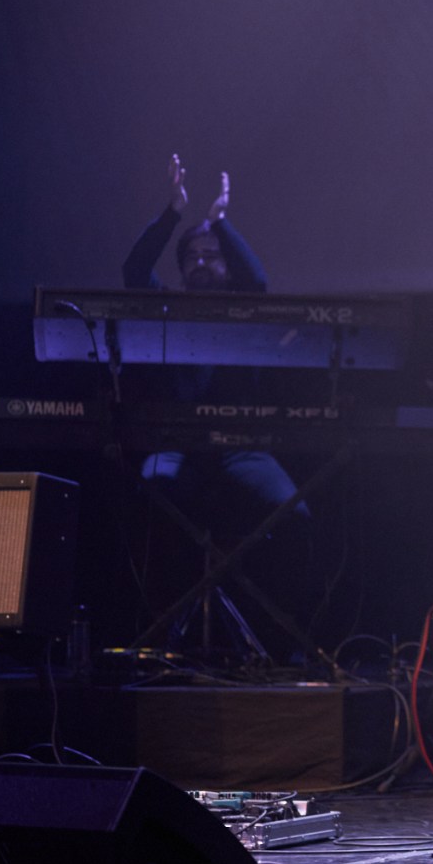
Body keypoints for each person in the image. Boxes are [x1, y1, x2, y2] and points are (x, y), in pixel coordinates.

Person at [122, 154, 318, 665]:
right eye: (193, 256)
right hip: (178, 447)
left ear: (226, 264)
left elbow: (257, 282)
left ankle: (281, 639)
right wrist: (173, 213)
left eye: (212, 255)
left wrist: (221, 223)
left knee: (294, 514)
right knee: (149, 495)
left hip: (241, 448)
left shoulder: (244, 307)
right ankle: (158, 636)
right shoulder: (165, 306)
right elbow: (134, 271)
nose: (202, 262)